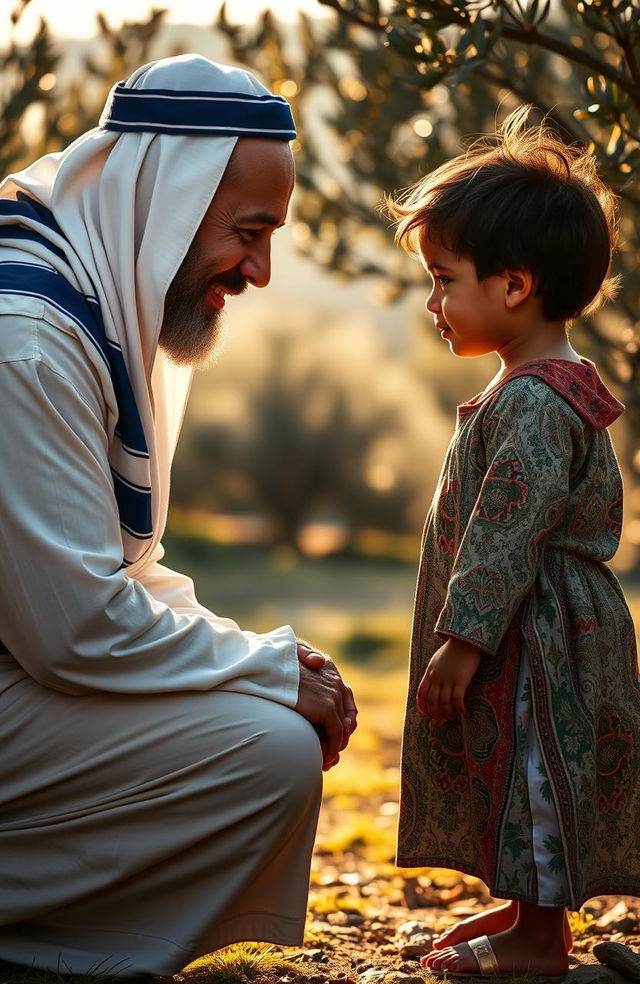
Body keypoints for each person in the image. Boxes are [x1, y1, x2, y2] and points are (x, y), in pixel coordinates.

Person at [0, 54, 357, 977]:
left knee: (266, 727)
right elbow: (73, 628)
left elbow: (115, 570)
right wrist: (268, 673)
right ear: (169, 201)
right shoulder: (28, 342)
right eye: (249, 231)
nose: (262, 271)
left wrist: (262, 660)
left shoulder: (83, 296)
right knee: (270, 752)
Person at [387, 108, 640, 978]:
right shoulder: (535, 387)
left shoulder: (533, 400)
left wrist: (463, 643)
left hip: (535, 635)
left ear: (515, 285)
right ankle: (532, 913)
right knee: (533, 770)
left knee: (536, 762)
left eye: (444, 280)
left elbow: (505, 532)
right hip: (543, 628)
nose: (434, 303)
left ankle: (536, 945)